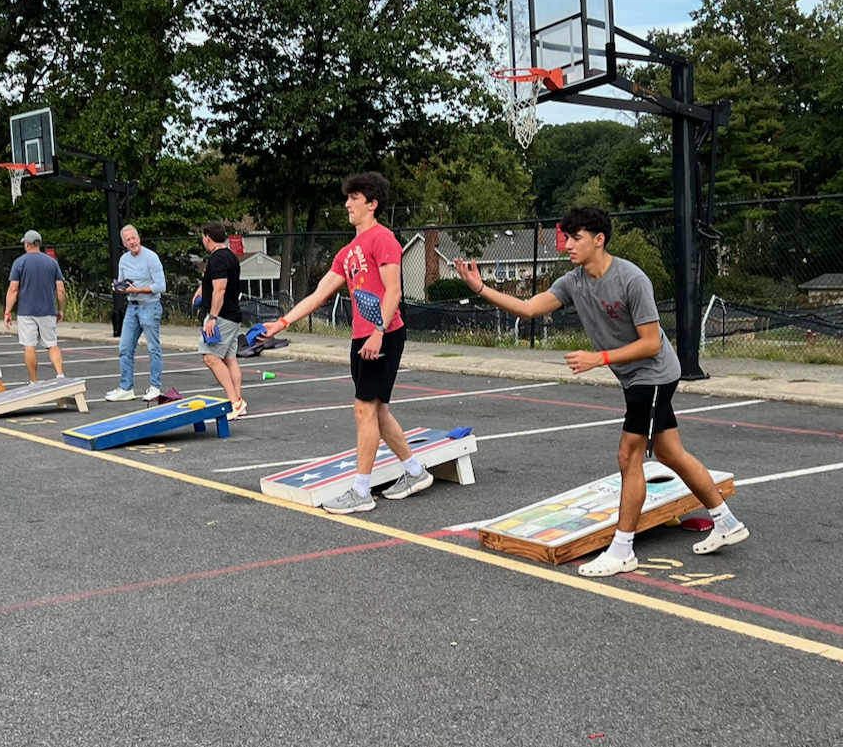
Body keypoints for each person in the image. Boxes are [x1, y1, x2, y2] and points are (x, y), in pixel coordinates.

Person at [454, 206, 750, 577]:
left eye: (576, 238)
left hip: (654, 374)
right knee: (671, 452)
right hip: (635, 378)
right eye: (567, 238)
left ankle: (623, 549)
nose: (568, 246)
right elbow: (529, 309)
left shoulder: (631, 279)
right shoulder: (574, 283)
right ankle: (726, 521)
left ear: (599, 240)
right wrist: (480, 288)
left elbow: (651, 344)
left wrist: (599, 358)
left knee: (629, 457)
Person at [253, 172, 431, 514]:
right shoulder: (348, 252)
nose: (347, 204)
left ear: (372, 204)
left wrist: (379, 331)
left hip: (384, 334)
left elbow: (394, 290)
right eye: (347, 198)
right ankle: (415, 471)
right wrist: (282, 322)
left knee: (363, 409)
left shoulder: (384, 239)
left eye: (354, 198)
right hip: (362, 335)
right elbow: (320, 294)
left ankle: (361, 493)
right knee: (377, 411)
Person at [106, 225, 166, 402]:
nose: (132, 242)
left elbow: (161, 286)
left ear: (139, 238)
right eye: (128, 240)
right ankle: (126, 388)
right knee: (124, 348)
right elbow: (124, 281)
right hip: (132, 307)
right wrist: (119, 287)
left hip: (150, 305)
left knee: (153, 348)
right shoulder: (124, 260)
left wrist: (137, 289)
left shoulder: (151, 258)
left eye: (134, 238)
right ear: (124, 243)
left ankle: (155, 387)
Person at [193, 222, 246, 417]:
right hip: (233, 315)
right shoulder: (230, 256)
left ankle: (234, 402)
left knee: (210, 357)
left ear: (207, 237)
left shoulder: (217, 259)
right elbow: (214, 284)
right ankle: (239, 402)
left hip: (222, 316)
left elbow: (220, 289)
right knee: (229, 359)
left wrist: (212, 318)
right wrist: (202, 289)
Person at [4, 230, 67, 381]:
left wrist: (7, 312)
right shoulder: (52, 263)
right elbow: (60, 289)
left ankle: (33, 381)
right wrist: (60, 309)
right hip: (47, 310)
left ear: (27, 244)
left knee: (29, 346)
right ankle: (60, 375)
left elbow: (13, 289)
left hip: (27, 311)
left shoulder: (19, 263)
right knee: (52, 344)